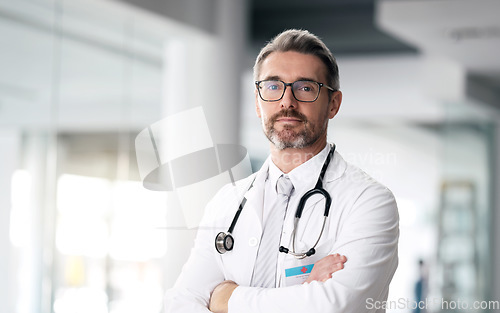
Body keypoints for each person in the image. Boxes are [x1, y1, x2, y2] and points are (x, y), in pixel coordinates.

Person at [164, 29, 399, 313]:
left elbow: (335, 306)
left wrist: (226, 298)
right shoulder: (227, 202)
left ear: (333, 104)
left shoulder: (369, 201)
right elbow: (179, 303)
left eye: (305, 88)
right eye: (273, 87)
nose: (287, 101)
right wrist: (302, 295)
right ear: (257, 101)